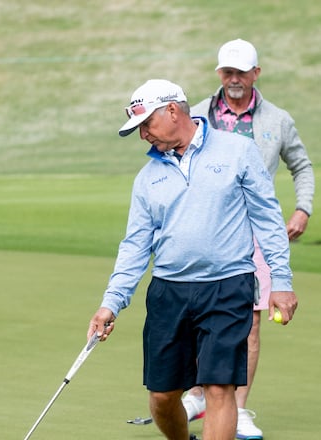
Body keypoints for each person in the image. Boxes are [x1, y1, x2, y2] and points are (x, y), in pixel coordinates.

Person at [87, 78, 298, 440]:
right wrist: (112, 303)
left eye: (146, 125)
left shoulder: (237, 151)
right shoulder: (147, 178)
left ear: (172, 111)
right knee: (162, 396)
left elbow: (267, 218)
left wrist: (280, 281)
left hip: (228, 286)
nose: (143, 136)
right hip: (169, 292)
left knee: (219, 387)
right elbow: (136, 245)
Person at [181, 38, 315, 440]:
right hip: (201, 227)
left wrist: (302, 209)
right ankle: (200, 393)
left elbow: (302, 166)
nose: (233, 79)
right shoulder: (198, 114)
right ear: (219, 72)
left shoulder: (277, 120)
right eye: (227, 71)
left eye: (241, 72)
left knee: (249, 323)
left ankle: (236, 410)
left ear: (257, 73)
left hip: (255, 230)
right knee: (193, 314)